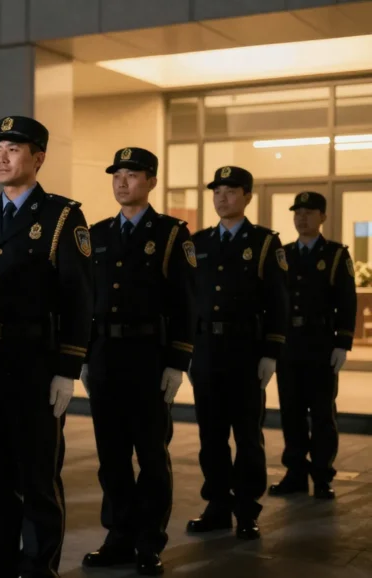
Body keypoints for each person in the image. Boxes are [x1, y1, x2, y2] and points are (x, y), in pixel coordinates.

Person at [0, 115, 93, 577]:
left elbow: (78, 296)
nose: (2, 157)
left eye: (14, 149)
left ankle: (38, 568)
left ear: (39, 157)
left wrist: (68, 369)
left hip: (35, 365)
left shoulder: (60, 216)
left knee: (36, 478)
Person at [80, 148, 195, 576]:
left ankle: (149, 540)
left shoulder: (169, 234)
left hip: (149, 358)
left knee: (150, 455)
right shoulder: (98, 233)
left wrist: (177, 361)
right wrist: (85, 356)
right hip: (106, 357)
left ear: (151, 181)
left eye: (132, 174)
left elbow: (186, 303)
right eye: (117, 174)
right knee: (111, 456)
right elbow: (88, 301)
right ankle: (119, 536)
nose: (122, 181)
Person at [186, 166, 289, 540]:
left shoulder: (264, 242)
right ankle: (217, 505)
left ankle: (247, 508)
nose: (221, 197)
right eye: (217, 191)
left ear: (247, 196)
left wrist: (271, 351)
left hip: (245, 351)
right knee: (211, 435)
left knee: (247, 435)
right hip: (206, 351)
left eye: (230, 191)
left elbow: (279, 300)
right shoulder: (197, 243)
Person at [269, 191, 356, 500]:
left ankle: (322, 475)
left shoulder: (335, 254)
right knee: (290, 411)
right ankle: (295, 473)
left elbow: (347, 301)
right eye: (297, 212)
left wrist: (342, 343)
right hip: (289, 345)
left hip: (320, 344)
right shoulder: (284, 253)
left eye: (308, 212)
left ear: (322, 217)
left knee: (321, 413)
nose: (301, 217)